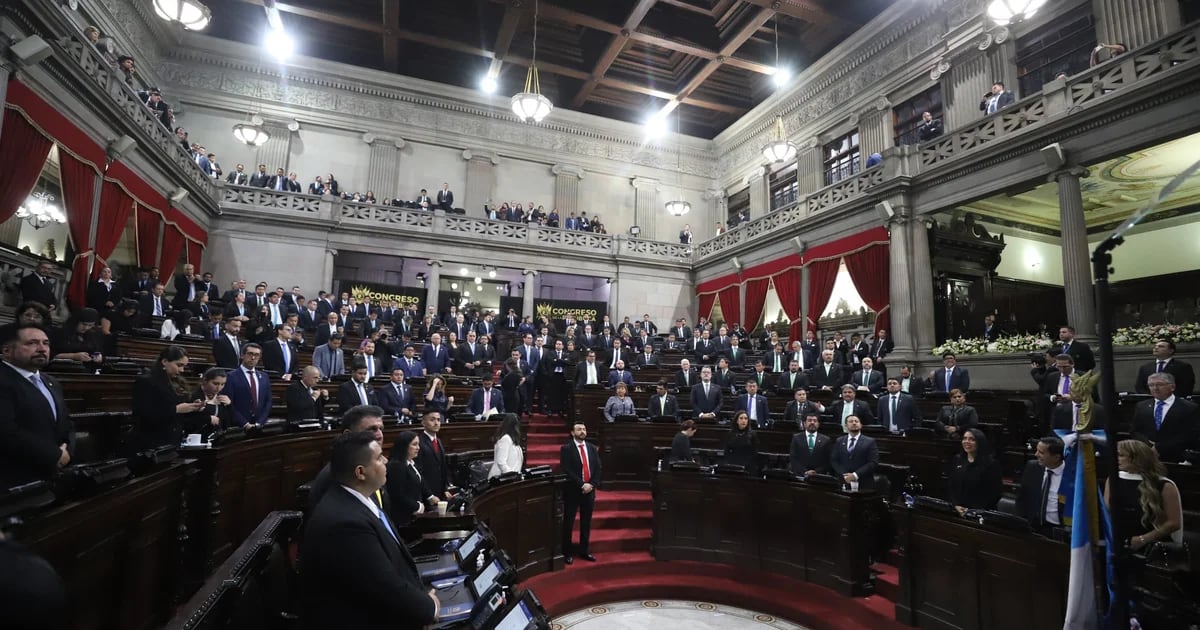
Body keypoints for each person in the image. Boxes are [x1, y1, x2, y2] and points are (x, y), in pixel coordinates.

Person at [299, 432, 439, 630]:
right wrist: (429, 607)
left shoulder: (362, 498)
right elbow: (383, 585)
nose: (386, 460)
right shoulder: (345, 523)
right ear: (360, 472)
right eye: (379, 457)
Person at [1105, 439, 1183, 626]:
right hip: (1119, 546)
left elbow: (1173, 523)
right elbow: (1107, 514)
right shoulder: (1113, 479)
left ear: (1137, 458)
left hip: (1150, 549)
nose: (1117, 459)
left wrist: (1142, 539)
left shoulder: (1164, 485)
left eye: (1121, 455)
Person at [0, 323, 74, 488]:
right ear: (7, 351)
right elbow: (6, 431)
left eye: (46, 343)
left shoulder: (51, 381)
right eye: (31, 343)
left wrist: (67, 450)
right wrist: (54, 455)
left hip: (50, 474)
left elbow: (66, 422)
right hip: (14, 479)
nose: (42, 349)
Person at [306, 405, 387, 512]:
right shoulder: (337, 476)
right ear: (348, 434)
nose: (380, 435)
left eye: (381, 429)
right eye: (372, 429)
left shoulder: (372, 466)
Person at [133, 345, 204, 448]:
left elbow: (180, 410)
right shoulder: (146, 381)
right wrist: (176, 409)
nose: (182, 370)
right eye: (179, 365)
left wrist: (193, 407)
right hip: (153, 441)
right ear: (165, 361)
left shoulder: (177, 382)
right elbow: (143, 413)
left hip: (174, 439)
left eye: (184, 366)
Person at [1132, 372, 1200, 462]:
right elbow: (1135, 430)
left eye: (1159, 384)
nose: (1155, 388)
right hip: (1147, 456)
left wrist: (1159, 447)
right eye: (1151, 385)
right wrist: (1148, 446)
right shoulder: (1141, 406)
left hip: (1176, 457)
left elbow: (1190, 434)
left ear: (1172, 387)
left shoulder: (1189, 407)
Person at [560, 421, 602, 564]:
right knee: (569, 522)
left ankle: (584, 550)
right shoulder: (566, 449)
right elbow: (567, 470)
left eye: (584, 429)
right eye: (579, 429)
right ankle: (567, 552)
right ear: (572, 432)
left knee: (586, 522)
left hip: (589, 491)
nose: (582, 431)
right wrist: (582, 484)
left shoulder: (592, 448)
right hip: (573, 490)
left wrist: (592, 484)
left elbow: (598, 468)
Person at [384, 431, 440, 526]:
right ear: (404, 446)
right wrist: (418, 506)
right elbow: (397, 495)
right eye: (414, 444)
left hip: (414, 515)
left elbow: (420, 480)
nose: (418, 448)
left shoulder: (410, 463)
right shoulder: (396, 466)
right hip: (404, 519)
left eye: (418, 444)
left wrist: (430, 496)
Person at [1016, 436, 1066, 532]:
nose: (1036, 454)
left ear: (1056, 457)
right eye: (1037, 451)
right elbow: (1022, 498)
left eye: (1041, 453)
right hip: (1033, 526)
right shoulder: (1032, 467)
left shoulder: (1071, 475)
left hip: (1058, 530)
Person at [946, 428, 1002, 514]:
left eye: (972, 439)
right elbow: (951, 485)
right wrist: (955, 505)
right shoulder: (958, 459)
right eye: (964, 438)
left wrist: (972, 510)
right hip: (957, 510)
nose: (966, 441)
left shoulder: (991, 464)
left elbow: (994, 493)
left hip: (979, 512)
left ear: (980, 442)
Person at [224, 343, 271, 426]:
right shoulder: (230, 376)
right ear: (242, 355)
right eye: (250, 354)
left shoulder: (264, 377)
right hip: (238, 426)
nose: (253, 358)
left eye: (256, 355)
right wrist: (244, 423)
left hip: (258, 425)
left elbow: (268, 402)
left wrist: (260, 422)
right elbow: (229, 404)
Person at [830, 415, 878, 487]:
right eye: (851, 421)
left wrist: (855, 475)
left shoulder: (870, 441)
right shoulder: (839, 440)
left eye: (856, 421)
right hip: (843, 480)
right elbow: (834, 460)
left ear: (861, 425)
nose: (854, 423)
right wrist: (845, 474)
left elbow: (872, 462)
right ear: (846, 425)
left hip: (863, 481)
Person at [416, 411, 453, 499]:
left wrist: (445, 488)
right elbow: (418, 472)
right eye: (432, 420)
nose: (436, 423)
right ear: (423, 422)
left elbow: (442, 467)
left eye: (438, 420)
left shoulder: (438, 441)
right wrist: (428, 495)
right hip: (427, 494)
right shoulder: (419, 442)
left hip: (440, 492)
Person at [489, 414, 524, 478]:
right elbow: (501, 462)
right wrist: (511, 475)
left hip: (511, 479)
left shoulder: (513, 440)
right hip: (501, 478)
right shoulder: (505, 439)